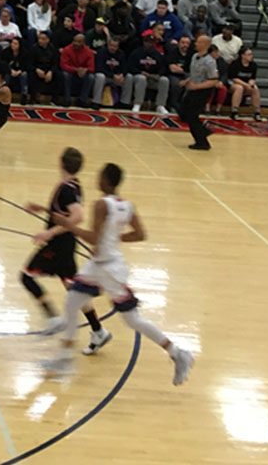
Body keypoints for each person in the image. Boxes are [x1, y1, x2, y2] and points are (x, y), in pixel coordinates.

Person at [43, 163, 194, 385]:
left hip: (108, 268)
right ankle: (64, 359)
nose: (97, 178)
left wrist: (68, 225)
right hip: (102, 264)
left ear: (106, 180)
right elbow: (140, 234)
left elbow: (93, 238)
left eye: (100, 175)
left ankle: (177, 352)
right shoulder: (127, 205)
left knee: (131, 319)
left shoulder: (101, 204)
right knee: (72, 301)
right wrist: (114, 240)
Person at [21, 148, 112, 353]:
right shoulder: (74, 185)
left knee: (26, 276)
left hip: (59, 245)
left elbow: (77, 216)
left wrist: (49, 233)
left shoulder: (66, 189)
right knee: (75, 291)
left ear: (61, 162)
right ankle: (99, 332)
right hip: (66, 243)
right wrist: (44, 209)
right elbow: (65, 212)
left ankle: (53, 318)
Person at [180, 34, 218, 150]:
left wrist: (196, 86)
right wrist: (187, 81)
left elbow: (213, 81)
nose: (195, 43)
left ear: (204, 45)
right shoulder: (194, 56)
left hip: (203, 91)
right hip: (192, 88)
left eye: (198, 42)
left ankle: (202, 142)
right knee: (183, 112)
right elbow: (194, 74)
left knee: (192, 116)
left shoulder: (210, 62)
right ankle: (204, 131)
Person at [124, 29, 170, 114]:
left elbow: (163, 67)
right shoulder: (136, 53)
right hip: (138, 77)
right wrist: (140, 72)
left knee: (164, 80)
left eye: (151, 42)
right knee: (141, 78)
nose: (149, 44)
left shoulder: (157, 54)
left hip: (152, 77)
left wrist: (158, 74)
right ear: (144, 42)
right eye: (147, 41)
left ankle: (160, 105)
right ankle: (137, 103)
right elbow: (130, 67)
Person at [59, 33, 95, 107]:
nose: (76, 43)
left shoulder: (88, 52)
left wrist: (85, 70)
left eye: (79, 42)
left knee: (91, 77)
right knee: (65, 75)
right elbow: (63, 65)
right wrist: (76, 70)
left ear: (83, 43)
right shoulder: (67, 49)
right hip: (71, 72)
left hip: (82, 73)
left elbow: (92, 68)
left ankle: (82, 100)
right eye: (74, 41)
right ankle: (67, 99)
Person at [227, 46, 262, 121]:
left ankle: (257, 112)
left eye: (251, 54)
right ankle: (234, 111)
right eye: (249, 54)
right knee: (239, 88)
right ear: (243, 55)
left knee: (255, 88)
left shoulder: (253, 65)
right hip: (232, 84)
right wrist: (246, 85)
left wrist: (251, 84)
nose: (251, 56)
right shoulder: (235, 64)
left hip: (245, 85)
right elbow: (234, 78)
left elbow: (253, 78)